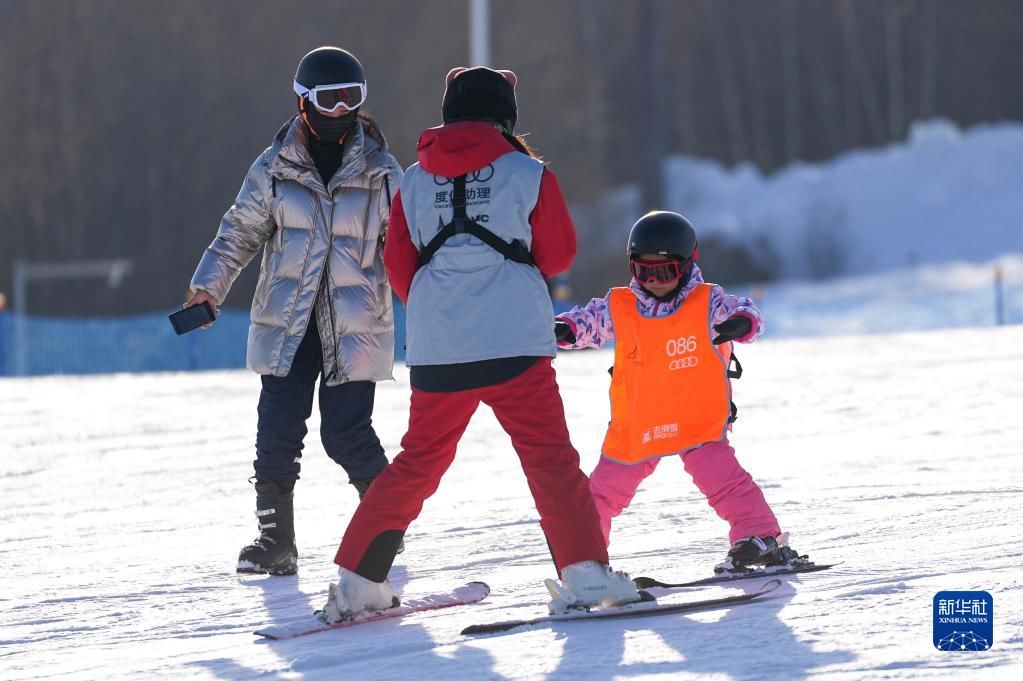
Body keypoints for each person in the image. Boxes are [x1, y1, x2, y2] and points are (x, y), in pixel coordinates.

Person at [318, 66, 642, 623]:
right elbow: (559, 254)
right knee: (549, 462)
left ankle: (358, 581)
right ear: (505, 114)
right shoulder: (529, 173)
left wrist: (442, 305)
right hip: (515, 341)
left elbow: (399, 269)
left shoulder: (414, 181)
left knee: (418, 463)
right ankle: (585, 575)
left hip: (439, 346)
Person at [185, 47, 402, 576]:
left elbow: (408, 248)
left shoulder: (382, 173)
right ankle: (274, 539)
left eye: (353, 97)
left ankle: (385, 528)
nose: (342, 110)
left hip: (354, 326)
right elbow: (239, 233)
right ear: (303, 102)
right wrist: (207, 287)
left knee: (347, 434)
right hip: (289, 323)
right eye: (329, 99)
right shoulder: (274, 168)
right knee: (278, 431)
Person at [555, 211, 806, 572]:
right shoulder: (619, 306)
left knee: (723, 482)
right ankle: (585, 558)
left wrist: (742, 322)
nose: (654, 280)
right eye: (644, 271)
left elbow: (746, 309)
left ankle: (759, 535)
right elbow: (587, 321)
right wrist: (565, 329)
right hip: (639, 421)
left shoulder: (707, 303)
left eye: (665, 271)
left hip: (696, 419)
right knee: (601, 494)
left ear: (687, 264)